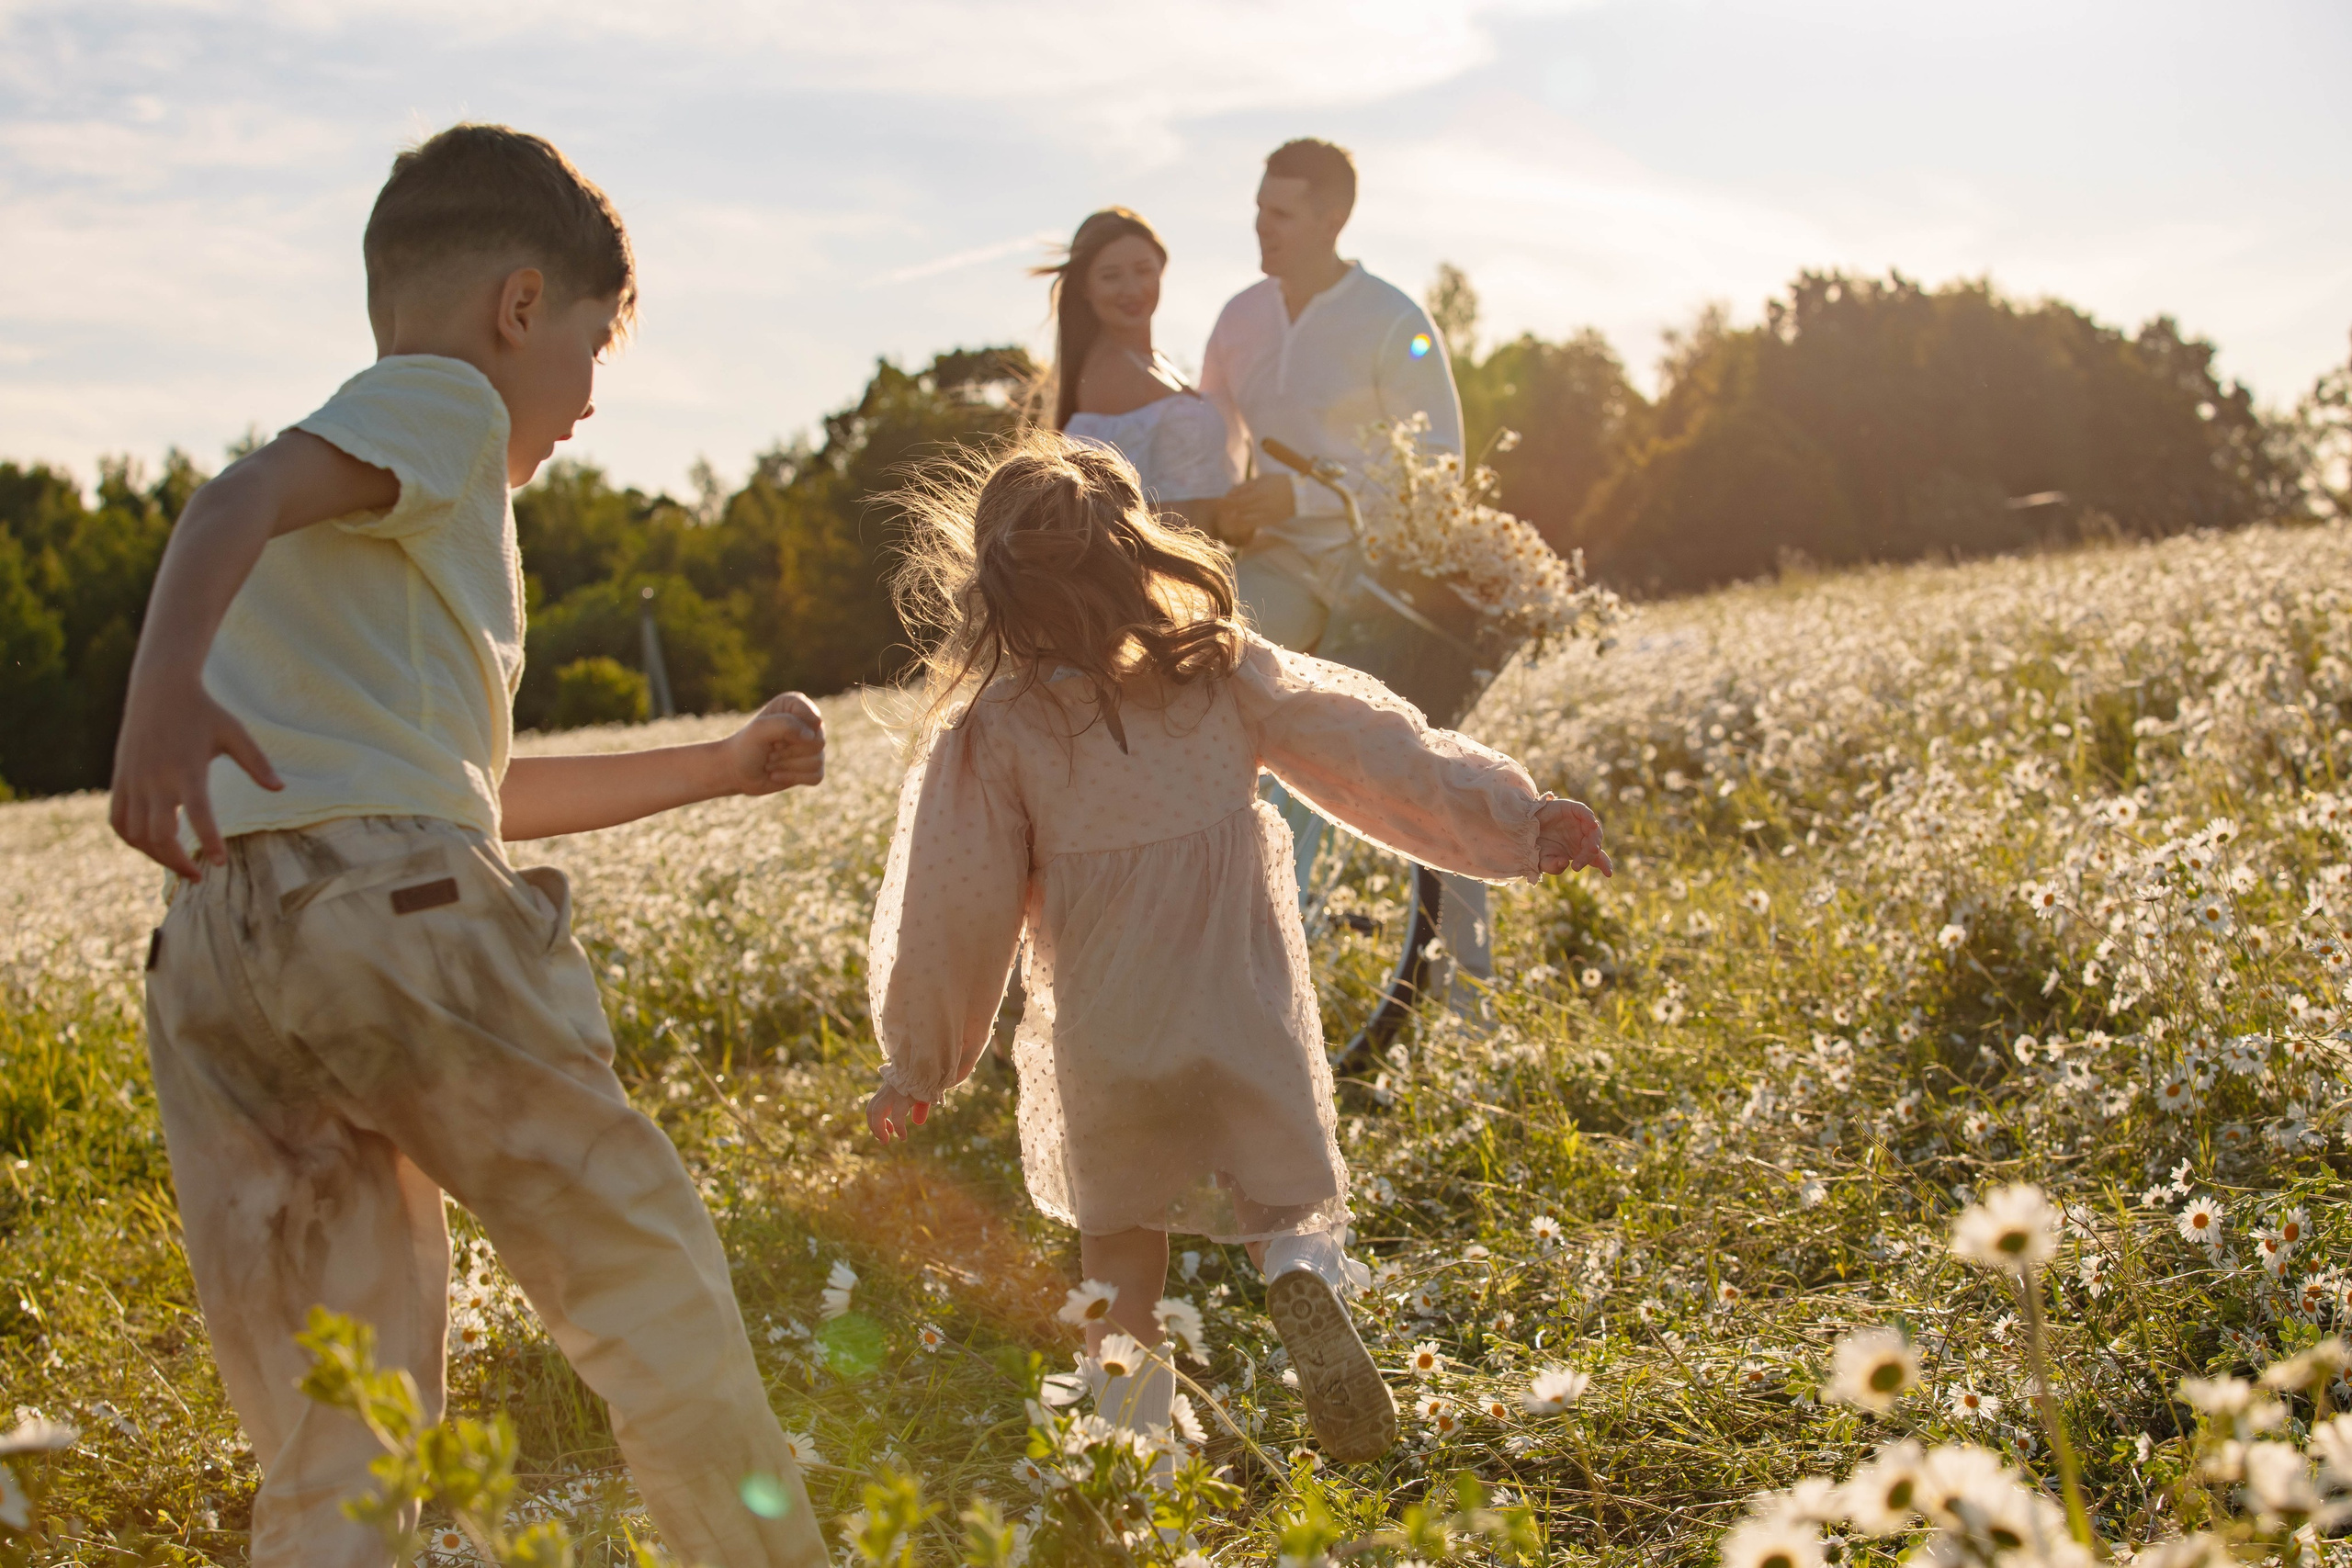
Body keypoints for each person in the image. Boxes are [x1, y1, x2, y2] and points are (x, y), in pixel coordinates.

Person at [109, 124, 830, 1568]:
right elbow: (227, 494)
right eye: (588, 350)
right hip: (392, 912)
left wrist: (719, 765)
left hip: (219, 964)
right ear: (518, 305)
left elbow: (466, 793)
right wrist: (156, 703)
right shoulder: (440, 407)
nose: (577, 405)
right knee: (647, 1280)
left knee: (343, 1424)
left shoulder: (370, 542)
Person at [860, 434, 1611, 1464]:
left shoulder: (999, 730)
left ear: (995, 583)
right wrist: (1516, 821)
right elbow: (1373, 751)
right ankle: (1298, 1274)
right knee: (1283, 1196)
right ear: (1141, 553)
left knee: (1118, 1254)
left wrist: (921, 1059)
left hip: (1107, 1034)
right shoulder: (1214, 669)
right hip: (1240, 1002)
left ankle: (1135, 1451)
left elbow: (955, 905)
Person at [1199, 137, 1498, 1009]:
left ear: (1335, 218)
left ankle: (1466, 984)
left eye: (1282, 214)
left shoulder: (1394, 318)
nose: (1263, 228)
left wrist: (1302, 496)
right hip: (1278, 569)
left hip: (1382, 574)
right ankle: (1243, 956)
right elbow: (1214, 447)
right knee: (1213, 709)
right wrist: (1227, 509)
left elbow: (1436, 463)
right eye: (1258, 210)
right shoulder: (1238, 321)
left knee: (1411, 756)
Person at [1036, 207, 1238, 533]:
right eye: (1111, 276)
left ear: (1161, 269)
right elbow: (1122, 516)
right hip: (1163, 574)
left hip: (1205, 560)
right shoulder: (1112, 372)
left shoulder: (1157, 361)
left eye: (1143, 271)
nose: (1131, 289)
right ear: (1085, 288)